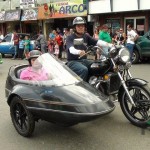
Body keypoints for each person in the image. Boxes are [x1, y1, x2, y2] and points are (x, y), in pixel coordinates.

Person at [66, 17, 113, 81]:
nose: (81, 27)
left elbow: (97, 42)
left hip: (84, 60)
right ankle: (82, 88)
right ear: (74, 28)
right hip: (73, 61)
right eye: (78, 26)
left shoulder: (86, 36)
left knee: (98, 66)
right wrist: (78, 52)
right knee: (83, 69)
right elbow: (71, 49)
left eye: (82, 26)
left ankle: (95, 82)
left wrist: (110, 45)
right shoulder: (70, 37)